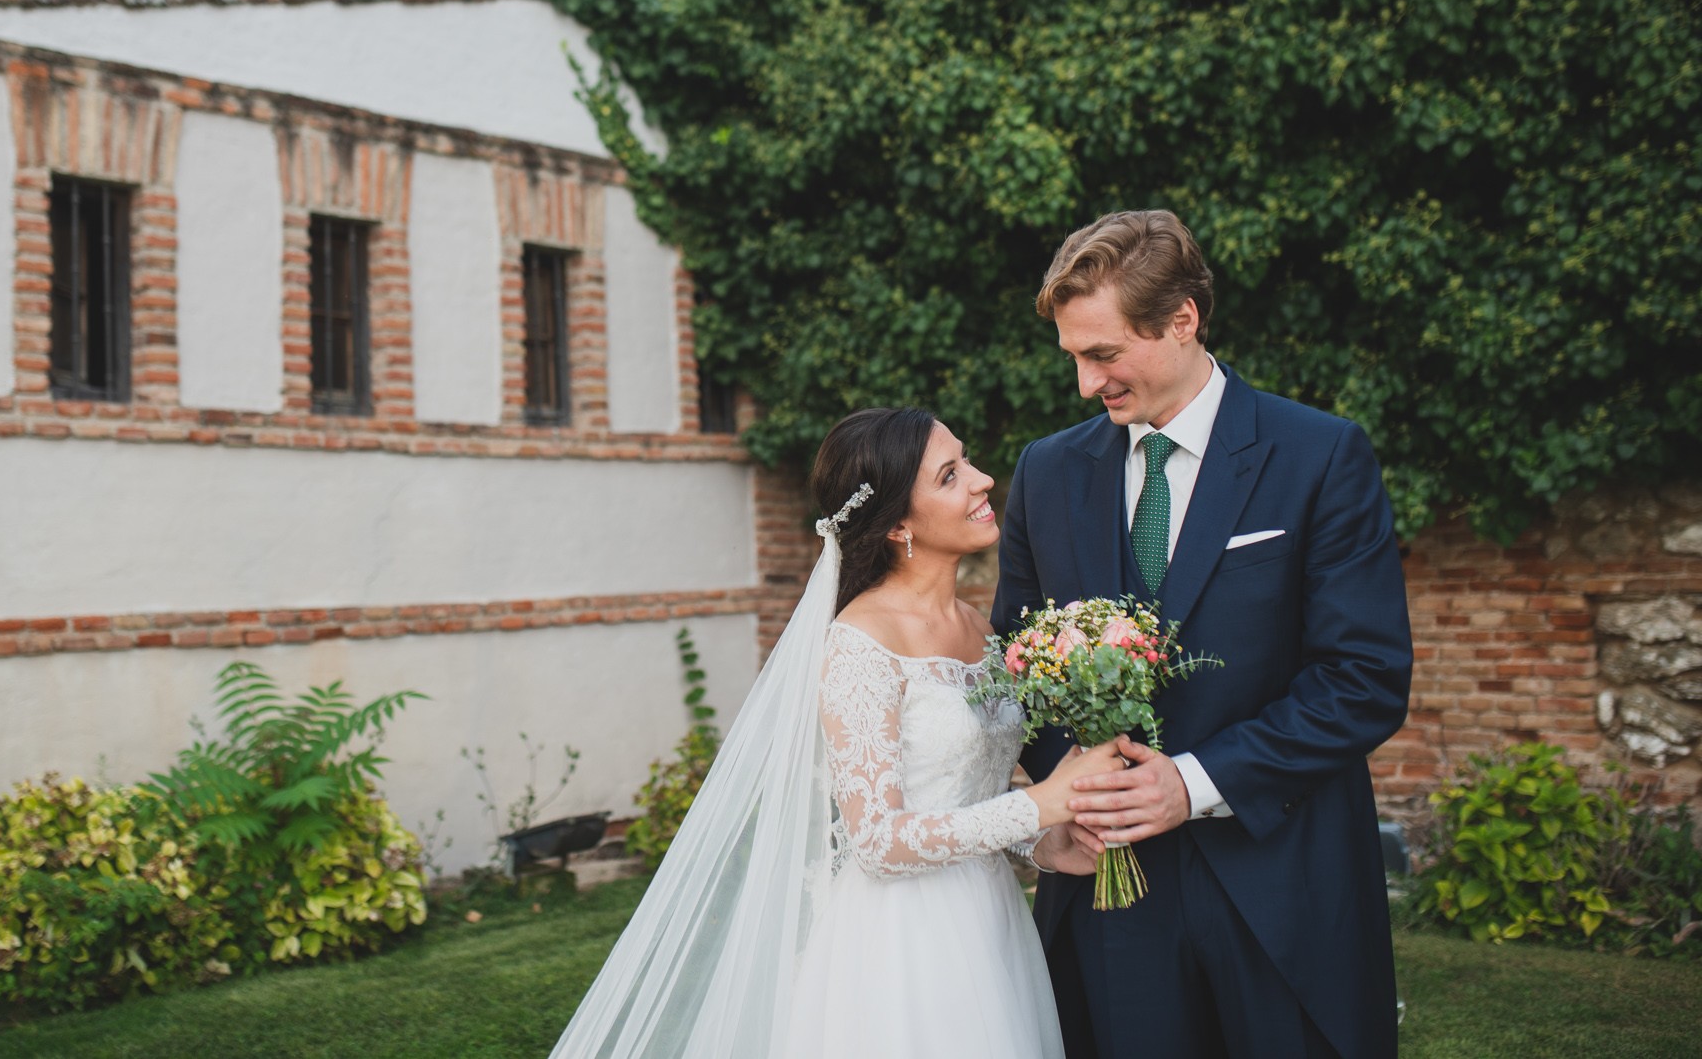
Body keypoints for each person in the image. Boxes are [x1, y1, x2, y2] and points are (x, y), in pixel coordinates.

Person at [550, 407, 1120, 1059]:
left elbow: (960, 796)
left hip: (991, 921)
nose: (983, 480)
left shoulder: (982, 629)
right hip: (901, 943)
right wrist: (1039, 802)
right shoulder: (859, 643)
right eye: (951, 474)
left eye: (969, 461)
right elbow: (877, 838)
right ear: (900, 523)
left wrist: (1043, 842)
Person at [992, 209, 1414, 1059]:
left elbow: (1363, 676)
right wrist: (1055, 803)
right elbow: (1012, 667)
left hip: (1279, 884)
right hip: (1109, 897)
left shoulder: (1319, 455)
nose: (1085, 383)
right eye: (1074, 355)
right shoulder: (1047, 471)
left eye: (1103, 353)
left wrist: (1193, 781)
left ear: (1182, 319)